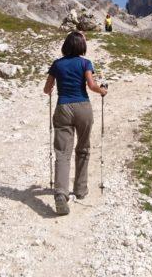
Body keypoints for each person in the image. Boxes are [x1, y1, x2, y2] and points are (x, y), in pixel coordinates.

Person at [44, 31, 107, 215]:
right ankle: (80, 190)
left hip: (63, 107)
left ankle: (61, 194)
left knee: (63, 153)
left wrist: (55, 85)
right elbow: (91, 85)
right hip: (83, 108)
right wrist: (102, 90)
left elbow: (47, 89)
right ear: (81, 45)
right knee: (83, 148)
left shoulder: (57, 64)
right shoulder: (85, 63)